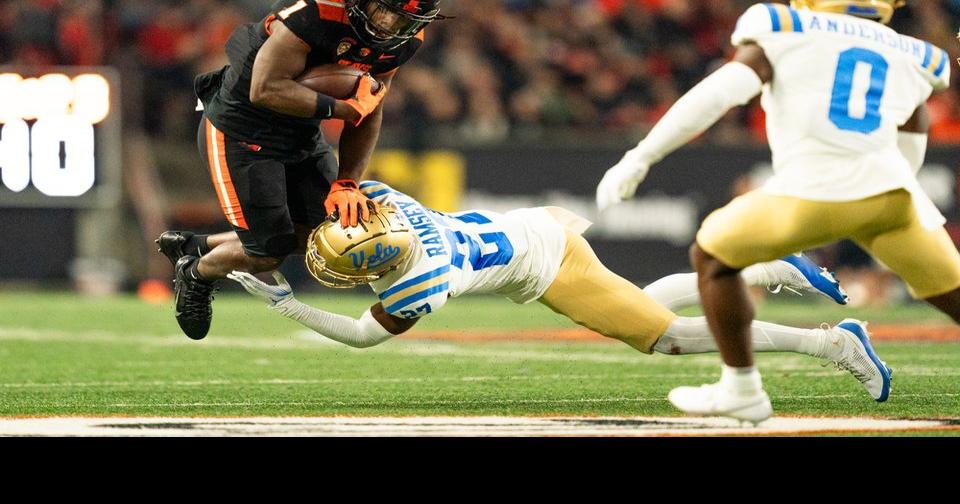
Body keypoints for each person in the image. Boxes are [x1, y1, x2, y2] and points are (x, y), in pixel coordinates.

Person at [595, 0, 960, 423]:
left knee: (713, 255)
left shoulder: (786, 25)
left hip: (814, 192)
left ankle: (741, 388)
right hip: (894, 198)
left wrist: (642, 155)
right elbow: (914, 129)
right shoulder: (913, 52)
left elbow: (720, 92)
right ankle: (778, 277)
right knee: (951, 292)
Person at [228, 181, 889, 403]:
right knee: (638, 296)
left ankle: (831, 344)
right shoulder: (384, 201)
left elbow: (363, 334)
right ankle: (767, 272)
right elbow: (346, 188)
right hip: (532, 229)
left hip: (545, 265)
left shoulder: (421, 285)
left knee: (668, 338)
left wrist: (289, 304)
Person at [157, 0, 445, 341]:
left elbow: (368, 107)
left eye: (403, 20)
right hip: (242, 132)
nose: (390, 25)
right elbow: (264, 88)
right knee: (268, 255)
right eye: (386, 10)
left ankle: (199, 246)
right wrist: (341, 108)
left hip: (302, 135)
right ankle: (197, 271)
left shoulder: (405, 39)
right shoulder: (316, 14)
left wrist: (348, 183)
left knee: (335, 235)